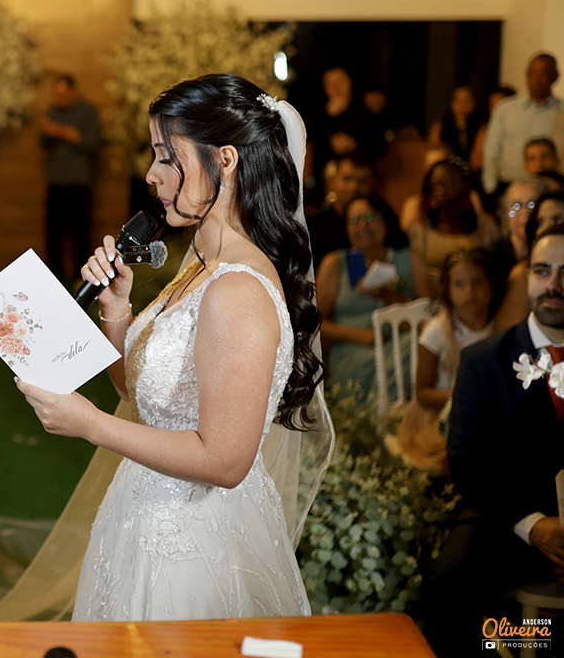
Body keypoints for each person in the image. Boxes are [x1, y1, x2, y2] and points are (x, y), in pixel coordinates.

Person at [18, 74, 331, 621]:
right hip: (143, 514)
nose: (151, 174)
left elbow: (226, 461)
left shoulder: (237, 289)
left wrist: (91, 425)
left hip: (195, 543)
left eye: (167, 156)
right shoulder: (202, 268)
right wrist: (118, 307)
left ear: (225, 160)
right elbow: (143, 394)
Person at [424, 224, 564, 656]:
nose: (554, 284)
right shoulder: (483, 361)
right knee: (452, 577)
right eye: (542, 270)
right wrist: (533, 525)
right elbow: (466, 462)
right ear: (527, 277)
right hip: (509, 517)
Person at [392, 249, 501, 474]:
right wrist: (464, 398)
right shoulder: (438, 331)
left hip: (486, 414)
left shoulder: (498, 328)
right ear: (448, 291)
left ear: (492, 286)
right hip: (439, 414)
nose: (470, 291)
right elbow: (423, 393)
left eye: (478, 282)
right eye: (459, 284)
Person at [316, 194, 428, 402]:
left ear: (385, 221)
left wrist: (387, 295)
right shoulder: (336, 263)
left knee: (423, 346)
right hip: (354, 349)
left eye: (370, 217)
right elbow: (315, 323)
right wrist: (356, 335)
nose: (363, 226)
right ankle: (381, 413)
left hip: (402, 343)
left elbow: (431, 313)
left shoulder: (408, 258)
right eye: (354, 220)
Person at [39, 74, 100, 280]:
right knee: (53, 235)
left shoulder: (88, 111)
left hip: (79, 182)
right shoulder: (52, 112)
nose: (59, 98)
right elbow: (43, 143)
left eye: (63, 94)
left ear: (73, 92)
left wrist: (63, 132)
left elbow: (92, 143)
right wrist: (48, 131)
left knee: (81, 234)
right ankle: (54, 278)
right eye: (56, 94)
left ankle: (81, 278)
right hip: (55, 182)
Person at [407, 158, 500, 287]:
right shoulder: (420, 228)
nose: (441, 190)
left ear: (465, 186)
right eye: (436, 184)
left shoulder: (485, 225)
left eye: (449, 183)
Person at [482, 53, 564, 196]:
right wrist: (491, 188)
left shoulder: (561, 112)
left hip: (549, 190)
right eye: (532, 73)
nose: (536, 80)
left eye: (543, 74)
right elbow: (491, 152)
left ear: (555, 76)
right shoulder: (505, 108)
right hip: (508, 187)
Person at [493, 188, 564, 330]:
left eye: (557, 220)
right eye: (540, 222)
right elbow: (508, 335)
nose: (545, 229)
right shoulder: (523, 274)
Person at [306, 151, 373, 267]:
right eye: (347, 179)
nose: (353, 187)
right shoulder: (313, 224)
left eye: (362, 181)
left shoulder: (380, 222)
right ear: (332, 181)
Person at [428, 85, 485, 163]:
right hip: (446, 166)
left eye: (467, 101)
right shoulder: (440, 127)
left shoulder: (481, 129)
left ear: (474, 104)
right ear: (451, 104)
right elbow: (434, 149)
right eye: (458, 101)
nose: (462, 106)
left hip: (470, 167)